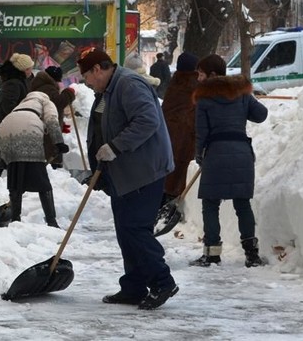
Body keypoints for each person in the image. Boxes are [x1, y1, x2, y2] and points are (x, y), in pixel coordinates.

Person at [77, 47, 178, 310]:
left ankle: (162, 281)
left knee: (135, 229)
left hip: (143, 171)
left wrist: (115, 147)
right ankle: (133, 287)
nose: (86, 82)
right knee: (125, 231)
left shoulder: (128, 84)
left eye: (86, 75)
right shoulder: (108, 90)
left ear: (98, 69)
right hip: (123, 172)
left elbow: (147, 120)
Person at [190, 54, 268, 268]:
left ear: (213, 74)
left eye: (201, 74)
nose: (198, 79)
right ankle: (252, 254)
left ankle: (212, 253)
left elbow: (201, 133)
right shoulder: (240, 93)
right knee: (242, 204)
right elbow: (261, 115)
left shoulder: (204, 99)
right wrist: (247, 97)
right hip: (242, 153)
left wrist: (199, 156)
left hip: (215, 154)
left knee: (210, 204)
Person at [0, 91, 69, 227]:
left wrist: (2, 158)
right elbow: (52, 119)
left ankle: (15, 219)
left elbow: (11, 124)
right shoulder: (46, 101)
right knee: (41, 180)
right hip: (28, 129)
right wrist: (59, 143)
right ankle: (51, 221)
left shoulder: (22, 104)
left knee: (15, 176)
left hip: (4, 128)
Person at [160, 52, 199, 205]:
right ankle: (177, 200)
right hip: (187, 136)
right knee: (183, 168)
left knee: (171, 168)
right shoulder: (196, 85)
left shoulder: (174, 83)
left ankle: (165, 197)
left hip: (168, 135)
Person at [30, 66, 76, 169]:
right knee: (51, 150)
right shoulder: (48, 88)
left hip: (44, 126)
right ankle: (53, 169)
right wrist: (69, 93)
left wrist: (61, 124)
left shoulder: (41, 86)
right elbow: (58, 103)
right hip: (48, 129)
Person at [0, 59, 28, 176]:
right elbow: (9, 104)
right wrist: (19, 118)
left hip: (9, 120)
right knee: (5, 150)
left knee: (7, 151)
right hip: (8, 121)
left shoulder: (18, 81)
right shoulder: (14, 83)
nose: (30, 71)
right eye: (28, 68)